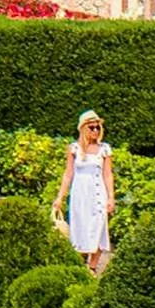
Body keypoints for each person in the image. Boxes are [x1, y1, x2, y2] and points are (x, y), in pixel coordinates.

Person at [52, 112, 115, 276]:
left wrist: (111, 197)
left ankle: (92, 267)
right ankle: (79, 263)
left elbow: (108, 174)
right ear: (83, 128)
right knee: (80, 228)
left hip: (98, 192)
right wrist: (60, 197)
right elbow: (68, 174)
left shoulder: (104, 149)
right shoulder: (74, 149)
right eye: (91, 127)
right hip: (80, 194)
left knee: (99, 226)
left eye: (97, 127)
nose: (95, 130)